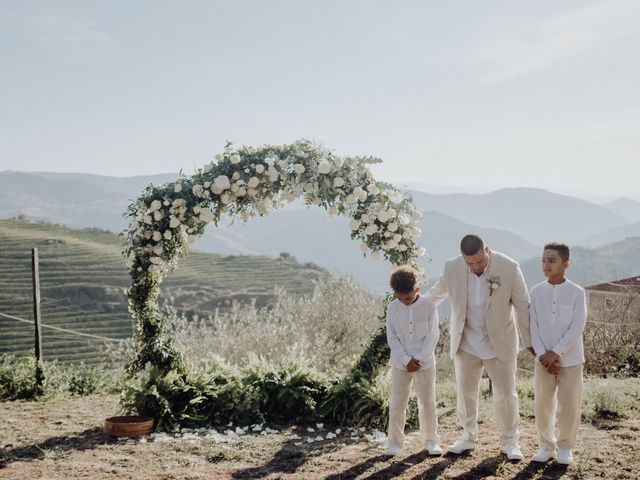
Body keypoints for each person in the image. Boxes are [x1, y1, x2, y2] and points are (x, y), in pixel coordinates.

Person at [426, 234, 531, 461]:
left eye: (479, 262)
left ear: (487, 250)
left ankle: (510, 441)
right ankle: (468, 436)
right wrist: (411, 311)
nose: (475, 267)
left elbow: (523, 306)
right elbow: (435, 295)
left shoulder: (509, 267)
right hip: (466, 341)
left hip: (499, 341)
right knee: (465, 393)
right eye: (469, 263)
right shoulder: (452, 267)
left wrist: (530, 342)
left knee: (505, 394)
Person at [529, 242, 587, 465]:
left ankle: (565, 447)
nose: (546, 265)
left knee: (570, 404)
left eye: (552, 261)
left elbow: (577, 326)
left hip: (571, 359)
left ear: (566, 264)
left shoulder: (577, 293)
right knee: (543, 404)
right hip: (543, 360)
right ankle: (546, 446)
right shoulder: (536, 292)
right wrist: (544, 355)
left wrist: (557, 353)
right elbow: (532, 325)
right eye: (543, 260)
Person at [384, 265, 442, 456]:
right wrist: (406, 359)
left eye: (407, 298)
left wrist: (418, 359)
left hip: (425, 363)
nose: (404, 302)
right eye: (400, 298)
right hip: (400, 364)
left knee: (427, 403)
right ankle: (394, 442)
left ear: (417, 289)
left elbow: (433, 335)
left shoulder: (429, 306)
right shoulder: (392, 309)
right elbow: (392, 338)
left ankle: (431, 440)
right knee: (397, 403)